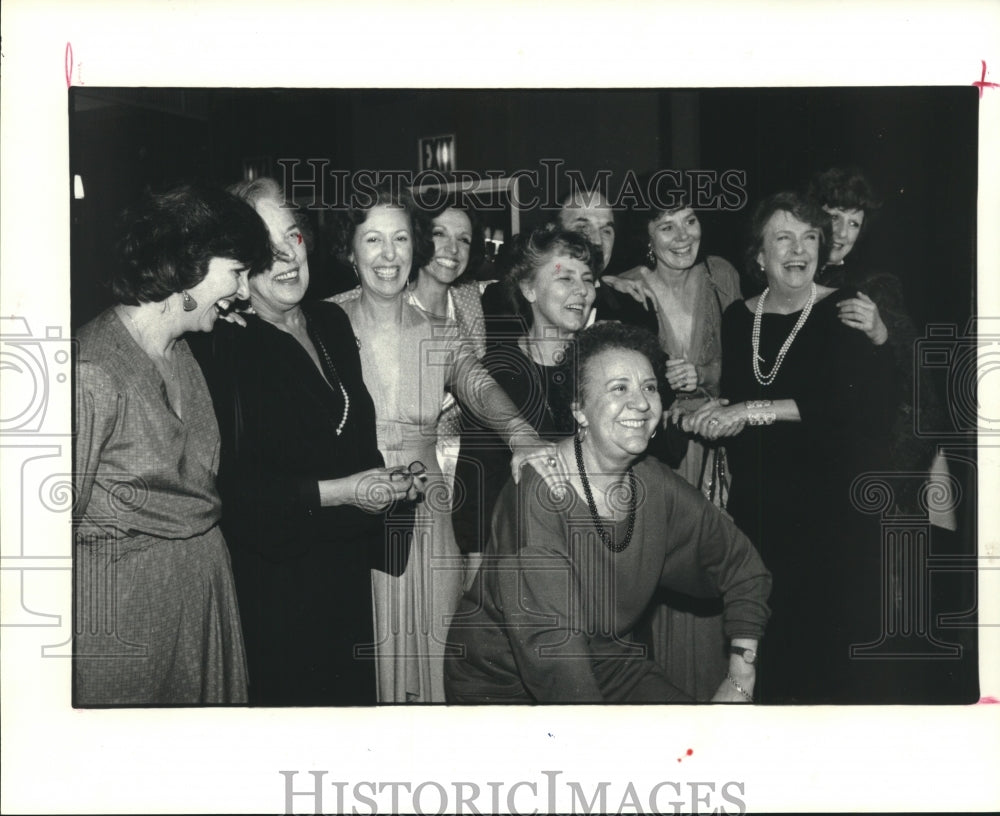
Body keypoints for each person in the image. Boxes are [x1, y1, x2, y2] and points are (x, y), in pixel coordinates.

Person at [444, 322, 772, 703]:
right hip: (505, 684)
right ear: (579, 411)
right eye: (619, 388)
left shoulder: (654, 484)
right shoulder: (541, 489)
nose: (641, 403)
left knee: (700, 746)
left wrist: (740, 675)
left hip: (609, 666)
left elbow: (744, 566)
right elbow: (554, 652)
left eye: (649, 387)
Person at [329, 182, 560, 703]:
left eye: (401, 240)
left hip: (428, 504)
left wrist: (521, 435)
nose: (389, 256)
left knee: (436, 642)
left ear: (415, 248)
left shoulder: (439, 332)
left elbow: (478, 385)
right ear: (351, 250)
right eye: (373, 241)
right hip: (352, 503)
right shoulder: (326, 322)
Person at [190, 177, 416, 706]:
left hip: (345, 575)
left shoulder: (331, 322)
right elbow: (234, 494)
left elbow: (354, 434)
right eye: (263, 249)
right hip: (277, 589)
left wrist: (388, 483)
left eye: (292, 236)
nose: (287, 258)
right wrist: (340, 492)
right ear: (238, 266)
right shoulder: (222, 349)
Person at [685, 191, 894, 703]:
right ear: (759, 255)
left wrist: (746, 412)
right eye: (783, 237)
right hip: (759, 510)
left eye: (809, 238)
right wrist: (710, 409)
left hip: (828, 515)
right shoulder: (738, 317)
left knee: (824, 661)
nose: (798, 249)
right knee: (765, 649)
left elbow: (840, 407)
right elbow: (736, 394)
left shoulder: (842, 310)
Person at [73, 184, 272, 705]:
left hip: (201, 597)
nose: (246, 292)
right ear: (192, 261)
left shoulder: (182, 350)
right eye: (237, 272)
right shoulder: (90, 369)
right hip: (125, 620)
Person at [616, 198, 743, 700]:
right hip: (659, 455)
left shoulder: (723, 277)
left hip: (717, 451)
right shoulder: (625, 285)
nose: (681, 235)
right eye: (665, 225)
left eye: (690, 221)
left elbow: (752, 363)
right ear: (647, 234)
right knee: (663, 568)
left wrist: (706, 377)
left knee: (715, 566)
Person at [451, 226, 597, 560]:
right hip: (518, 558)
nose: (582, 291)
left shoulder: (602, 367)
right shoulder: (498, 373)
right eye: (565, 279)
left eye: (587, 279)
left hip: (594, 553)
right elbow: (477, 493)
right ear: (529, 288)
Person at [808, 166, 943, 516]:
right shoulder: (788, 276)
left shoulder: (874, 284)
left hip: (861, 464)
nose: (841, 233)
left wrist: (884, 333)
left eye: (854, 223)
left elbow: (921, 387)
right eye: (834, 217)